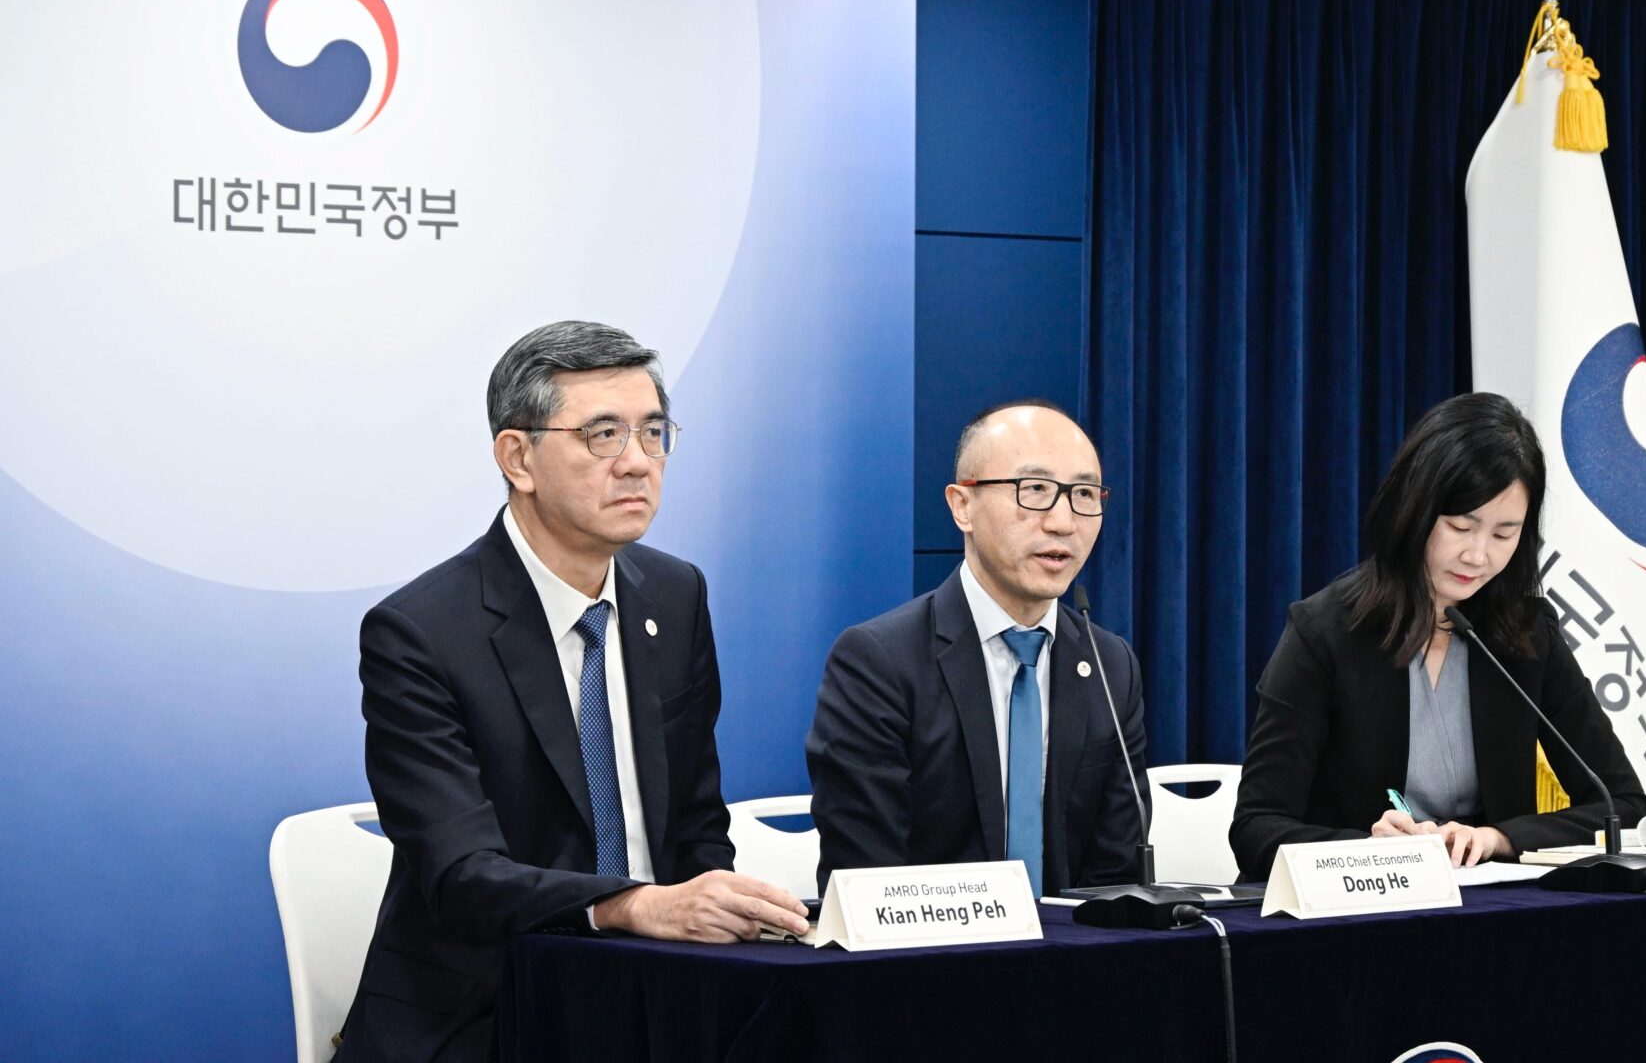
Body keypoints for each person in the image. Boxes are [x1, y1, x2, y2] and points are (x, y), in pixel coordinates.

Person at [338, 321, 808, 1063]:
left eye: (653, 433)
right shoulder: (421, 632)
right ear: (517, 458)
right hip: (489, 1010)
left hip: (655, 995)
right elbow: (463, 877)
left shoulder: (675, 595)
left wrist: (715, 905)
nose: (637, 463)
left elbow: (694, 824)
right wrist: (633, 906)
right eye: (602, 435)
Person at [1230, 392, 1646, 881]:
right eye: (1460, 527)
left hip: (1494, 905)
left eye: (1503, 534)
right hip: (1361, 903)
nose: (1478, 555)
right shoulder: (1324, 632)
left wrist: (1500, 838)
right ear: (1414, 509)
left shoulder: (1528, 633)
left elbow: (1623, 804)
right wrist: (1367, 850)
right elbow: (1255, 829)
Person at [806, 400, 1149, 898]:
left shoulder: (1110, 665)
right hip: (930, 942)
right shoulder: (879, 662)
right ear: (962, 506)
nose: (1062, 521)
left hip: (1075, 944)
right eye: (1034, 489)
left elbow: (1117, 881)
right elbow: (866, 880)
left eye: (1083, 494)